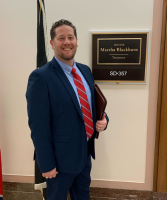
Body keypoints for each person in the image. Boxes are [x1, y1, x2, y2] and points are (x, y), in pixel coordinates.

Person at [26, 19, 109, 200]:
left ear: (76, 41)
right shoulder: (41, 77)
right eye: (61, 38)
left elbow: (91, 107)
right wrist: (46, 164)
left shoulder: (85, 71)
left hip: (84, 156)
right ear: (52, 43)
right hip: (58, 163)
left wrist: (104, 120)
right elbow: (38, 126)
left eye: (70, 37)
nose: (67, 42)